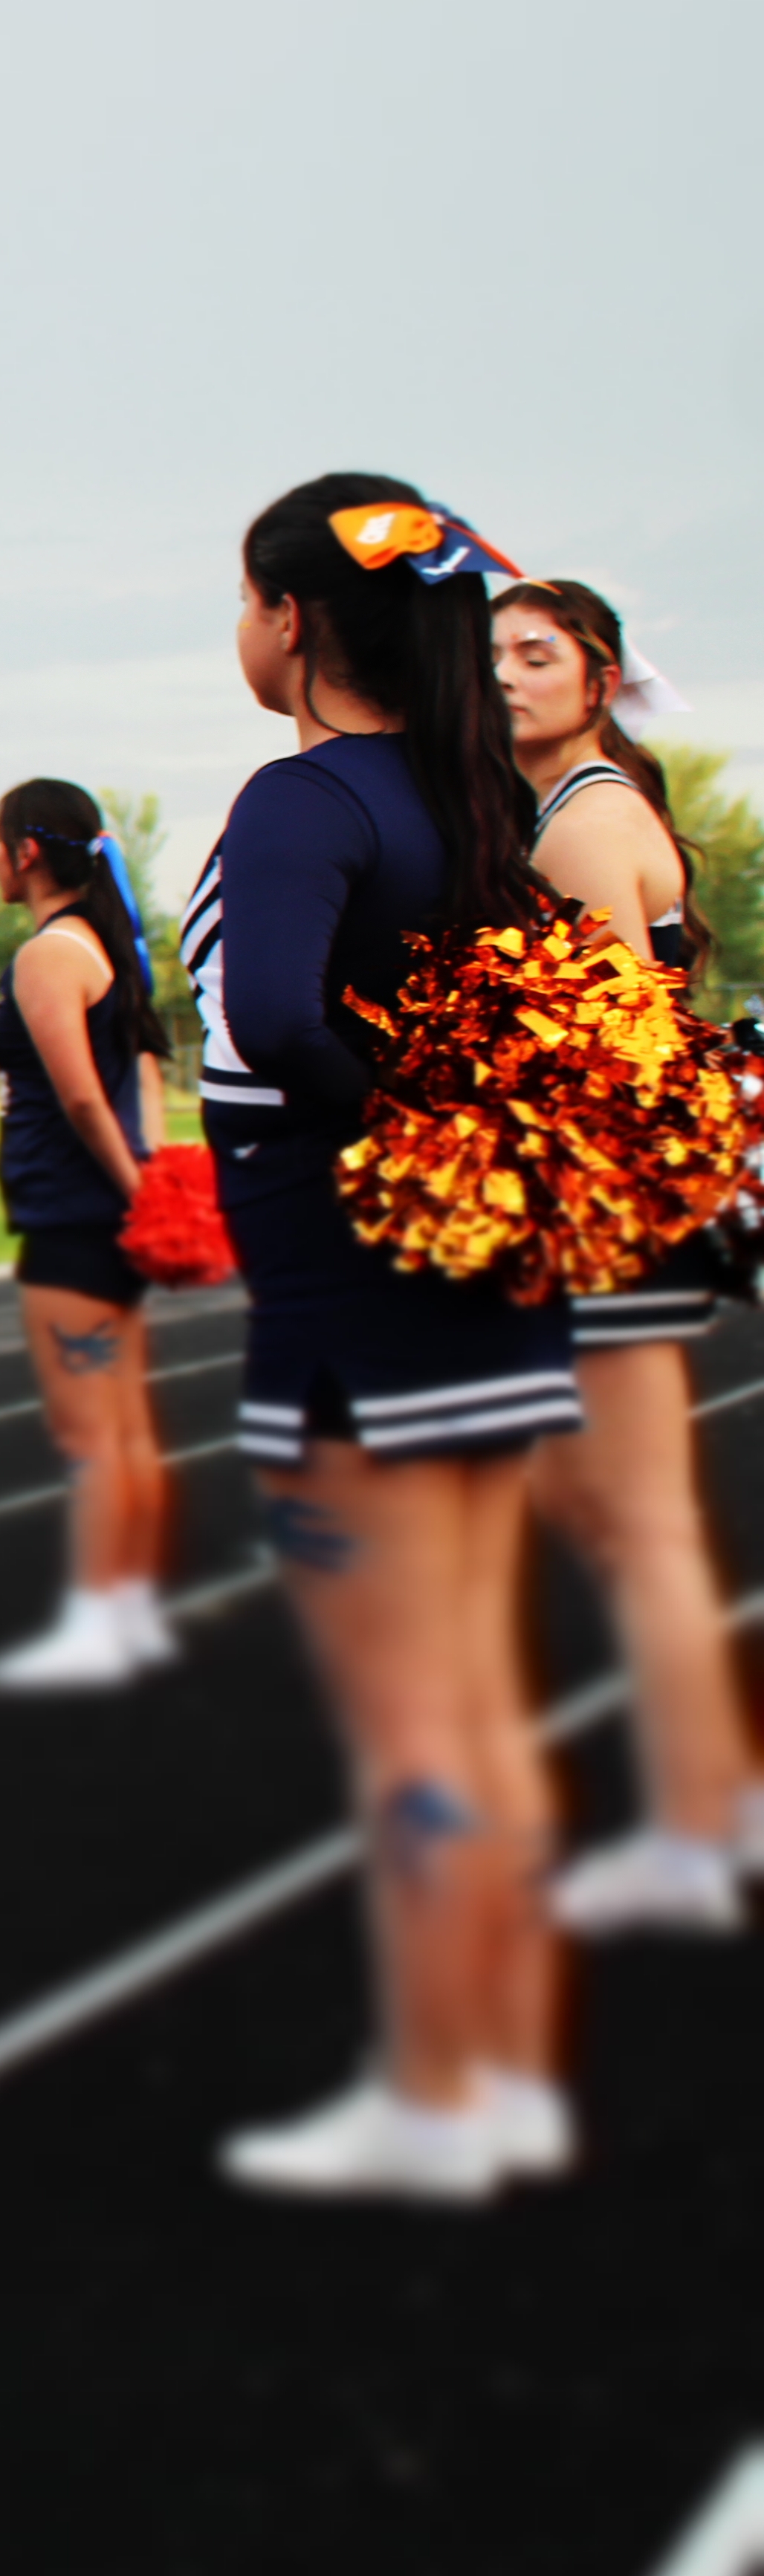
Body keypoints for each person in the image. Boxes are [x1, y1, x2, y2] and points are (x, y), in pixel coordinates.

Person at [195, 478, 572, 2204]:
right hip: (487, 1293)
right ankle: (505, 2070)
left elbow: (274, 1015)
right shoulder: (473, 790)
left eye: (244, 601)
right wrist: (473, 1149)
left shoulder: (304, 795)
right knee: (485, 1703)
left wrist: (397, 1130)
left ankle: (436, 2093)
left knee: (413, 1724)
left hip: (357, 1299)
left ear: (291, 619)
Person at [496, 575, 748, 1934]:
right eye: (490, 657)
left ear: (600, 679)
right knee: (597, 1509)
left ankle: (697, 1830)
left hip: (607, 1207)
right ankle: (721, 1788)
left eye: (538, 656)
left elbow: (601, 1054)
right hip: (599, 1207)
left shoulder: (588, 824)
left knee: (635, 1523)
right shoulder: (563, 812)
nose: (508, 676)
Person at [0, 782, 181, 1690]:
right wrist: (155, 1186)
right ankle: (131, 1614)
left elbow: (83, 1097)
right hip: (107, 1210)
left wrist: (142, 1193)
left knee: (89, 1434)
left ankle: (100, 1623)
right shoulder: (106, 946)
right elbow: (140, 1086)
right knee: (127, 1428)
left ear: (26, 851)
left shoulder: (50, 956)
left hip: (74, 1213)